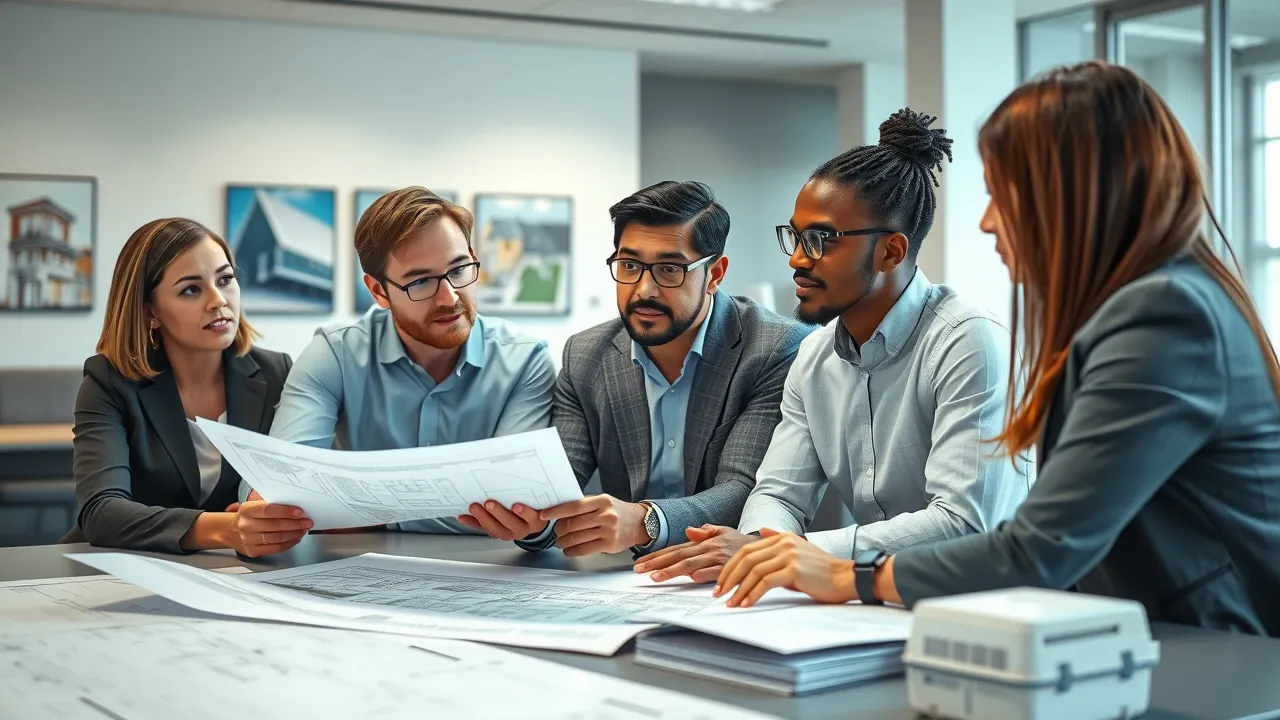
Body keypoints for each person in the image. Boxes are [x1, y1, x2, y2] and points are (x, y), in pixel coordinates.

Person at [711, 61, 1280, 638]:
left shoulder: (1163, 317)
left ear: (1074, 195)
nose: (986, 222)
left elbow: (1040, 547)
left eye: (1003, 194)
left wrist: (850, 575)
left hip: (1218, 653)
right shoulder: (1147, 305)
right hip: (1153, 639)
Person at [637, 110, 1030, 584]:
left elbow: (964, 525)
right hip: (872, 601)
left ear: (891, 252)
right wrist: (766, 549)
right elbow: (778, 495)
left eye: (822, 240)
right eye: (798, 237)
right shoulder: (815, 356)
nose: (799, 259)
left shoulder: (968, 341)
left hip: (992, 605)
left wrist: (794, 554)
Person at [465, 181, 810, 556]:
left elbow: (745, 491)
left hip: (737, 573)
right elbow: (559, 483)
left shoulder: (774, 349)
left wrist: (645, 521)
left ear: (714, 275)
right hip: (625, 583)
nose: (644, 289)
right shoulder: (585, 356)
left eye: (669, 269)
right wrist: (532, 520)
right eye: (629, 265)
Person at [251, 187, 557, 534]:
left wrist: (362, 513)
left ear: (472, 257)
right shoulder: (335, 353)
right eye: (421, 281)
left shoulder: (526, 360)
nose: (450, 297)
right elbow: (280, 494)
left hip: (497, 571)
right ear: (378, 291)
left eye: (459, 270)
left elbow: (515, 508)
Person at [69, 218, 306, 556]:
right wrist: (227, 530)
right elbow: (101, 513)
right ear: (150, 311)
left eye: (225, 280)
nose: (218, 301)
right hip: (116, 569)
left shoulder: (277, 372)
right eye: (191, 289)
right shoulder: (108, 382)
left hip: (235, 573)